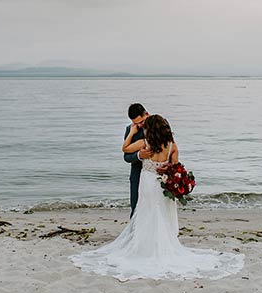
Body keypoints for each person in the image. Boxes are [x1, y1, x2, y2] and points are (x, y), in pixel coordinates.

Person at [70, 114, 244, 281]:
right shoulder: (171, 146)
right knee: (162, 212)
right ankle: (162, 245)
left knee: (146, 212)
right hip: (162, 183)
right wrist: (167, 166)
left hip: (147, 183)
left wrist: (131, 132)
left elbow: (124, 149)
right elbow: (176, 166)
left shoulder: (144, 143)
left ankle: (145, 247)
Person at [123, 103, 152, 218]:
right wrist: (139, 155)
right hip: (137, 171)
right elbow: (126, 157)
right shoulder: (130, 129)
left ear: (146, 114)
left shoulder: (160, 123)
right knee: (136, 205)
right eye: (135, 123)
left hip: (156, 171)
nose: (139, 125)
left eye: (141, 122)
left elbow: (169, 146)